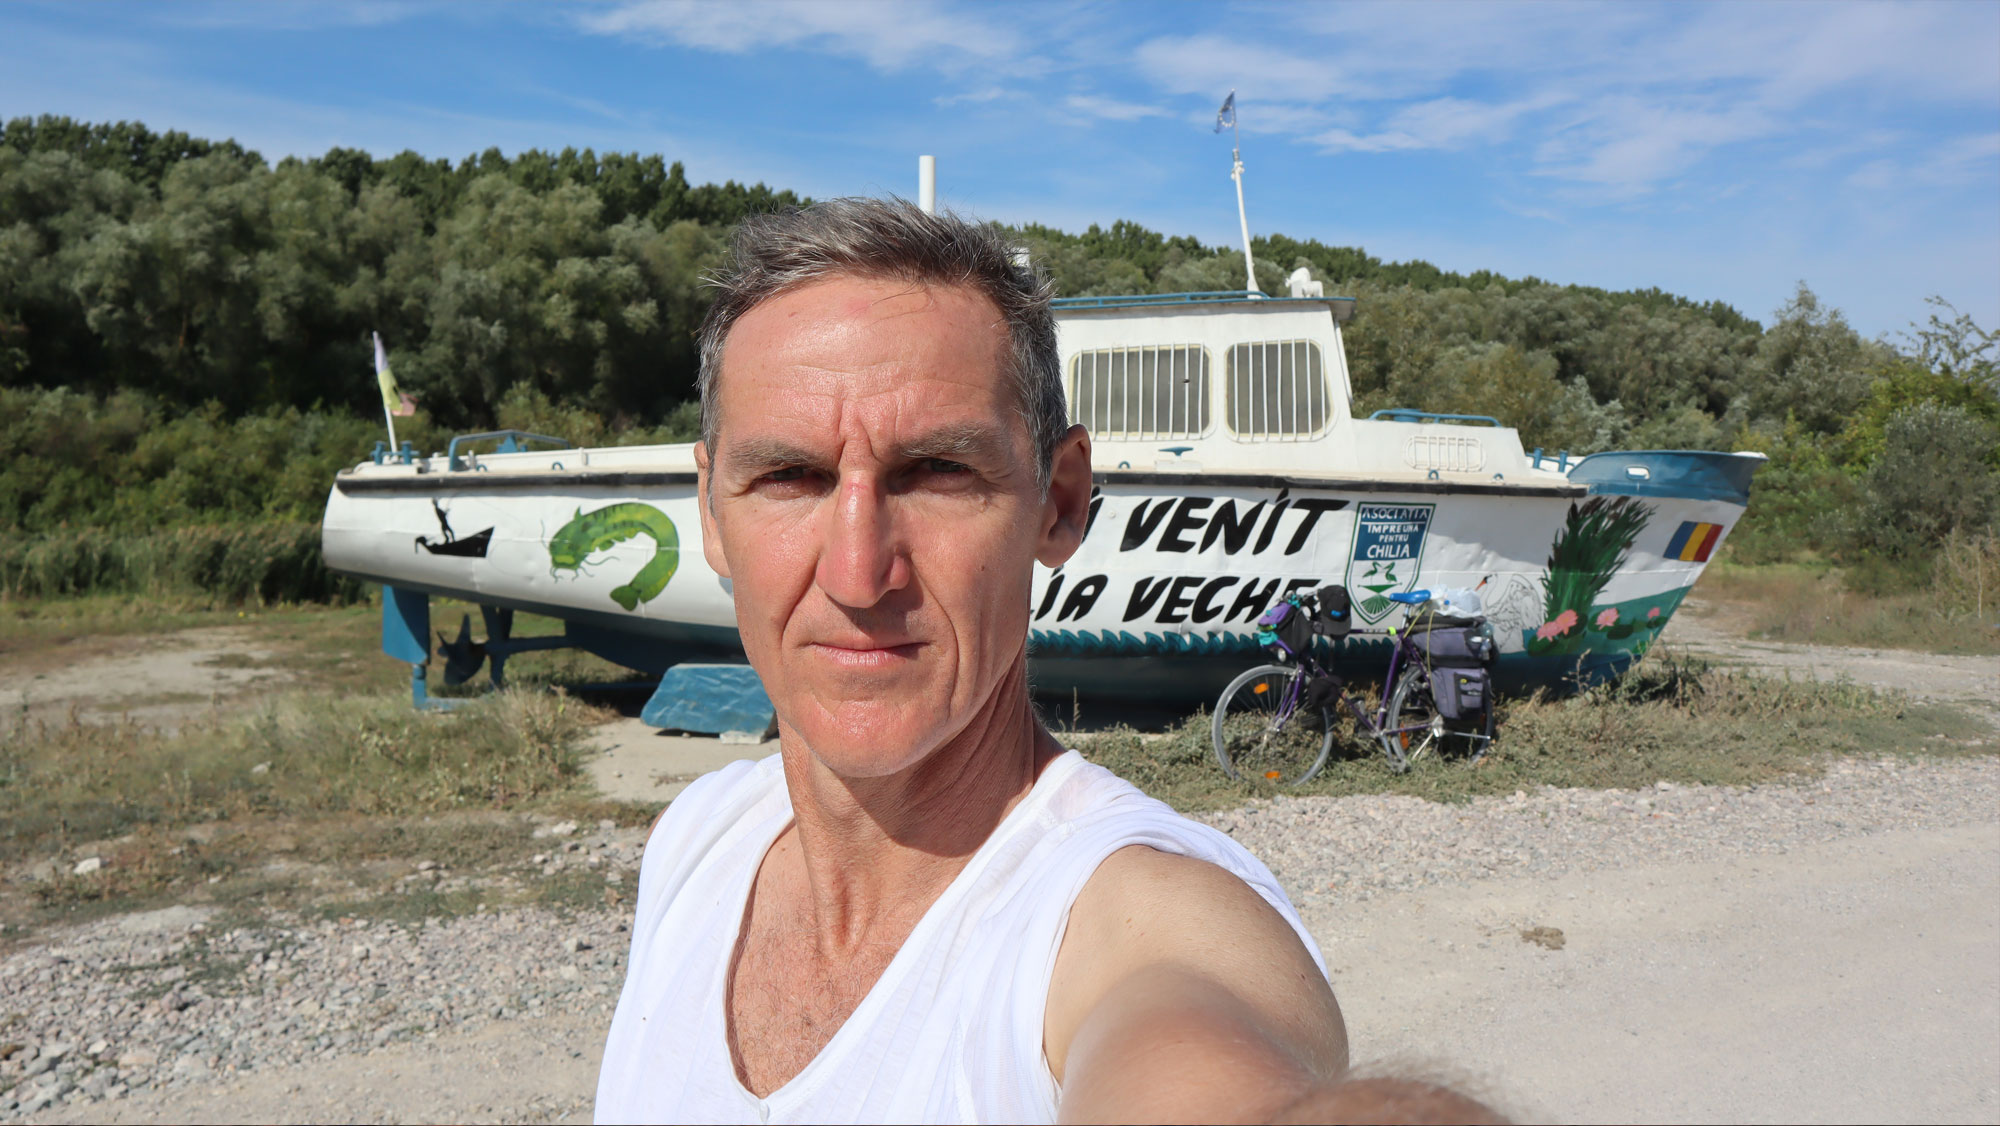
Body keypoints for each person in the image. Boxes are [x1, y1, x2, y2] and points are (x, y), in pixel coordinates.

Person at [594, 199, 1504, 1125]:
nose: (859, 573)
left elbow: (1202, 1050)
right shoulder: (698, 841)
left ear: (1060, 502)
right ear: (711, 510)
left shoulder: (1123, 918)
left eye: (939, 472)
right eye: (789, 477)